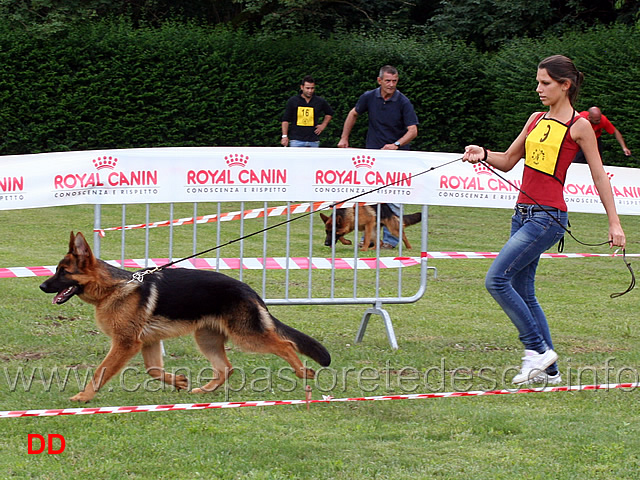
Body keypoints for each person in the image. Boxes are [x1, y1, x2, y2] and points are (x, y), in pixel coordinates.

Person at [463, 55, 626, 386]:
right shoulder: (536, 119)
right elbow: (508, 161)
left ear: (565, 85)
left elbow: (598, 175)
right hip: (521, 213)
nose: (539, 88)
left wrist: (615, 223)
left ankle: (536, 351)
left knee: (496, 280)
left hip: (548, 217)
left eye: (545, 83)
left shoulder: (578, 125)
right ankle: (550, 372)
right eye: (538, 82)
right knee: (524, 291)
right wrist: (482, 154)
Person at [338, 65, 419, 249]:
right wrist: (344, 138)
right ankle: (371, 240)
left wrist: (396, 145)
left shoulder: (403, 102)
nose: (391, 85)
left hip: (398, 158)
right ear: (379, 80)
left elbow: (413, 130)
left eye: (395, 81)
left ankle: (390, 241)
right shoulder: (369, 97)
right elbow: (353, 113)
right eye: (388, 81)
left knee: (394, 199)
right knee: (370, 200)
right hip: (372, 157)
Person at [281, 75, 334, 148]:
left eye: (312, 88)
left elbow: (329, 113)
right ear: (302, 87)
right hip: (296, 140)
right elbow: (285, 120)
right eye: (307, 88)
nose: (310, 91)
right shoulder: (293, 101)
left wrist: (323, 125)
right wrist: (284, 136)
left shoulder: (319, 101)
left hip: (313, 140)